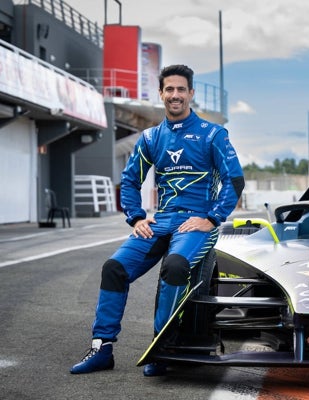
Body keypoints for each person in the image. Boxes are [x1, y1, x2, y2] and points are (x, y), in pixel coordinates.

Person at [70, 64, 245, 376]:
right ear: (162, 94)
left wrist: (211, 218)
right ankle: (101, 349)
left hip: (196, 224)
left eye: (181, 89)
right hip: (160, 221)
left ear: (191, 94)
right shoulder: (151, 137)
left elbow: (234, 180)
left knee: (175, 266)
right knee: (114, 268)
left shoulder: (212, 134)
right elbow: (130, 179)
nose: (175, 95)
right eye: (169, 90)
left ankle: (161, 348)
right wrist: (136, 217)